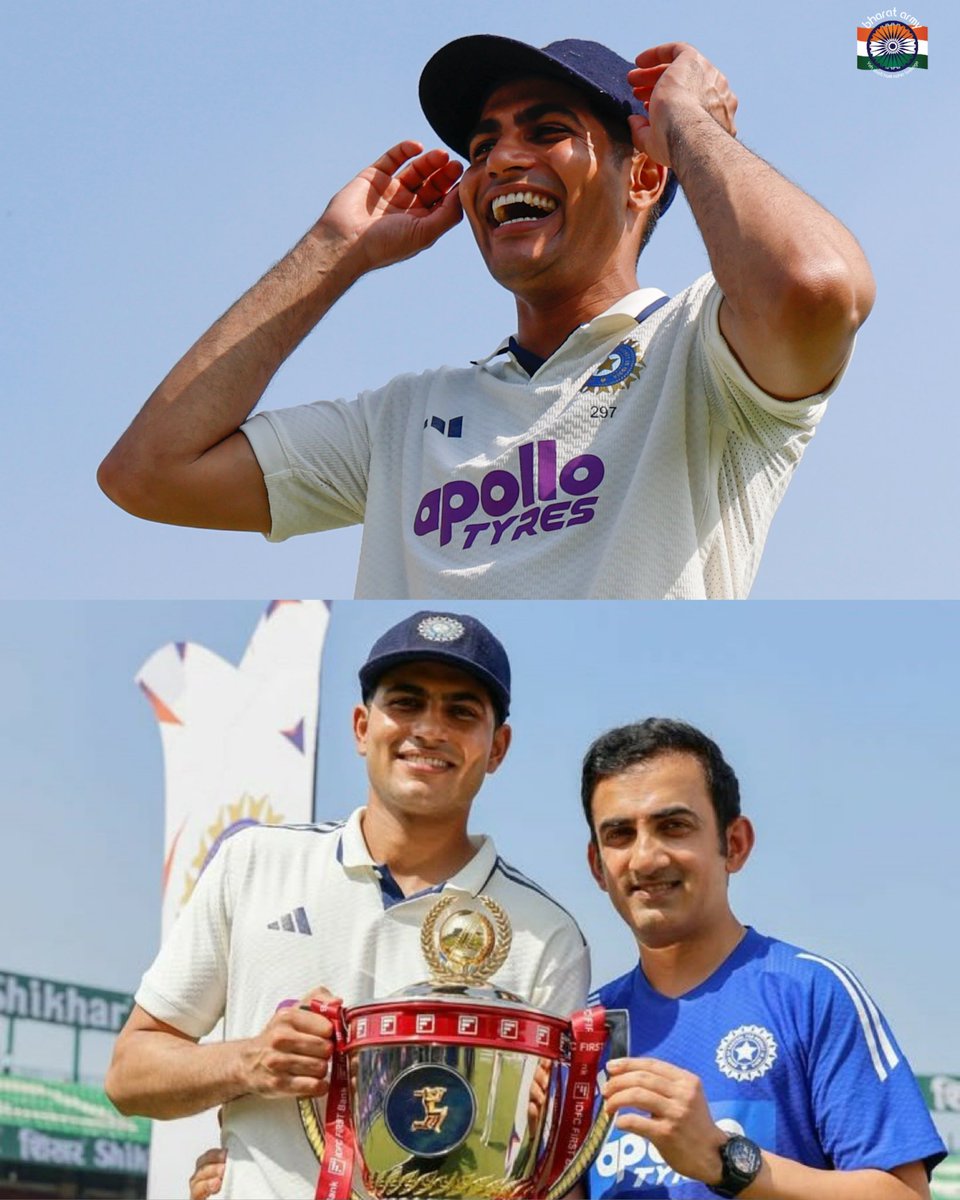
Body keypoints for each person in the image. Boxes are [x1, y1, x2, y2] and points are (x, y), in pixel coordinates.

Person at [97, 35, 875, 600]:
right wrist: (334, 252)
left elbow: (816, 287)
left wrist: (690, 125)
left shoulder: (704, 351)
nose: (500, 160)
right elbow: (147, 474)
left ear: (641, 176)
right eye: (483, 144)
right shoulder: (405, 419)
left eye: (546, 131)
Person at [105, 610, 589, 1199]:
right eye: (406, 703)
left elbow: (546, 1168)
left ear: (498, 748)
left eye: (461, 711)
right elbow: (129, 1074)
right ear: (362, 727)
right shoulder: (254, 862)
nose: (430, 730)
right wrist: (249, 1061)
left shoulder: (547, 935)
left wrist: (539, 1130)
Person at [579, 718, 945, 1198]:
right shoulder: (582, 1033)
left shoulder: (811, 994)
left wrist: (723, 1159)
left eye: (673, 827)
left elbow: (906, 1195)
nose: (646, 858)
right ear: (598, 866)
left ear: (734, 845)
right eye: (620, 835)